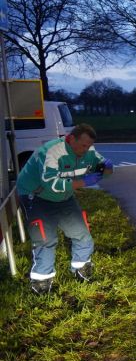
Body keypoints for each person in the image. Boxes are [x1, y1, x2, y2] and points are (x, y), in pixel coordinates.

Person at [16, 124, 114, 294]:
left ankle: (81, 268)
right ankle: (41, 281)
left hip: (64, 197)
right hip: (36, 196)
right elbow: (50, 183)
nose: (87, 149)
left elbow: (100, 164)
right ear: (71, 139)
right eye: (83, 145)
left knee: (82, 233)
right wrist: (84, 182)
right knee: (45, 238)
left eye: (89, 145)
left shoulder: (88, 150)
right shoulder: (51, 152)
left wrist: (106, 167)